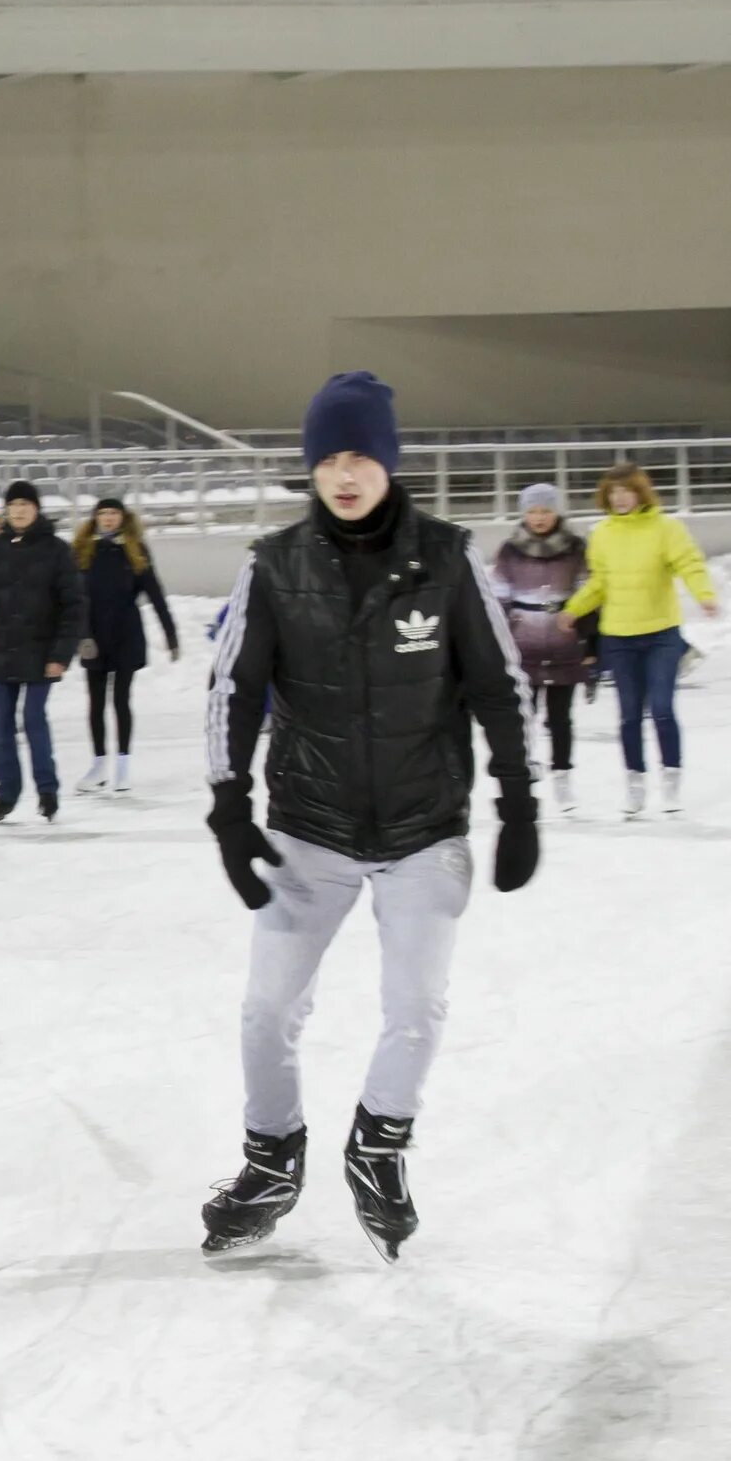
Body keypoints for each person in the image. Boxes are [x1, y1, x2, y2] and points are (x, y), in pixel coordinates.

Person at [200, 372, 536, 1264]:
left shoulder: (448, 559)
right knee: (267, 1008)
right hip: (308, 830)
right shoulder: (274, 564)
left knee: (416, 1006)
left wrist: (521, 799)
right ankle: (271, 1161)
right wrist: (230, 810)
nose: (344, 475)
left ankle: (378, 1148)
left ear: (388, 461)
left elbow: (500, 688)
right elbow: (232, 689)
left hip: (425, 831)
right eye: (328, 459)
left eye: (361, 456)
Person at [560, 462, 718, 819]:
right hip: (619, 636)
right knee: (629, 715)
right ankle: (635, 780)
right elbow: (600, 582)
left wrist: (704, 594)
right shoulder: (602, 534)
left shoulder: (666, 528)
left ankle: (671, 776)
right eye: (613, 492)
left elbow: (689, 563)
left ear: (640, 492)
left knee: (661, 707)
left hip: (662, 633)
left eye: (626, 491)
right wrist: (574, 609)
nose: (619, 498)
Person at [0, 482, 84, 824]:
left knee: (33, 718)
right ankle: (7, 794)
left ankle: (47, 791)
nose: (20, 511)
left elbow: (73, 607)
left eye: (26, 504)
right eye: (14, 505)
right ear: (7, 510)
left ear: (36, 509)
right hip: (3, 651)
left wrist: (61, 654)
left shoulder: (57, 550)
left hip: (42, 653)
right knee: (1, 726)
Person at [490, 483, 594, 814]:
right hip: (524, 644)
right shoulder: (510, 551)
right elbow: (498, 599)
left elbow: (588, 594)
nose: (538, 518)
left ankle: (562, 775)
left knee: (561, 717)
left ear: (556, 513)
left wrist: (591, 641)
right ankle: (525, 775)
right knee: (525, 715)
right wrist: (496, 642)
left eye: (545, 511)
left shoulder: (575, 549)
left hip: (565, 642)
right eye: (532, 511)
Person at [71, 496, 180, 795]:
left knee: (120, 700)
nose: (108, 518)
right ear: (95, 517)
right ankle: (98, 765)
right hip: (93, 637)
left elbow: (155, 594)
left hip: (125, 635)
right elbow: (72, 600)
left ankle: (122, 766)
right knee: (94, 703)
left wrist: (170, 632)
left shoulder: (134, 550)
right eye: (102, 513)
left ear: (123, 517)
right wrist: (80, 636)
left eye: (113, 513)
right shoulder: (81, 551)